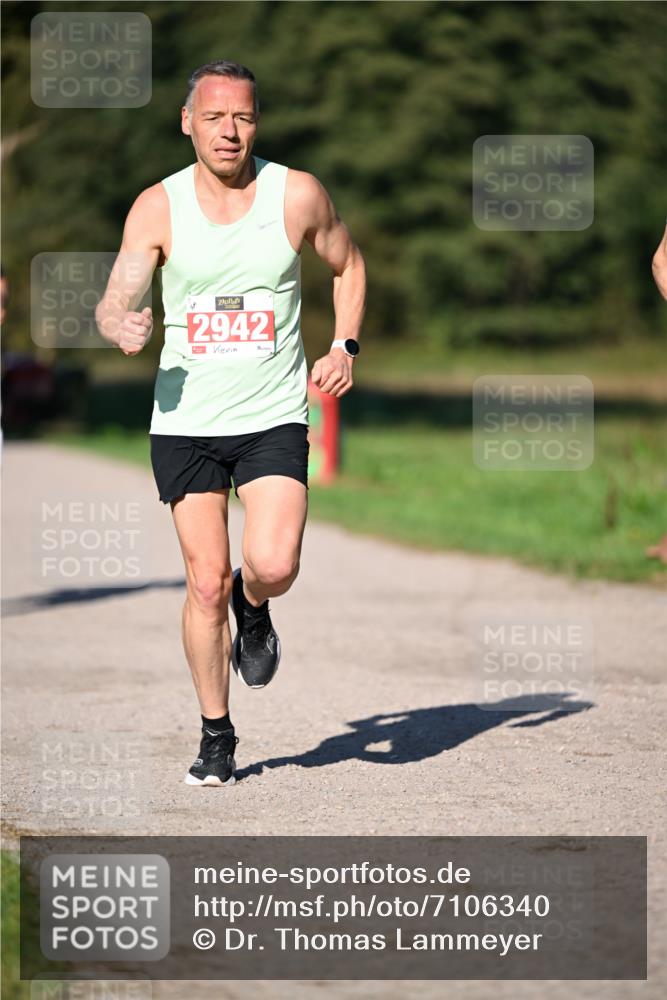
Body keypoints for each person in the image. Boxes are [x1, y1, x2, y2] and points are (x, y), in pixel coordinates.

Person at [96, 61, 366, 786]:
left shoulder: (296, 194)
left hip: (272, 412)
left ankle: (258, 604)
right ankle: (216, 734)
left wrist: (343, 344)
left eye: (242, 117)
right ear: (187, 122)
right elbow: (114, 299)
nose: (229, 130)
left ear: (257, 122)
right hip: (185, 421)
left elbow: (347, 264)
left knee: (272, 564)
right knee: (203, 582)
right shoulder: (157, 206)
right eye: (213, 117)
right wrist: (122, 322)